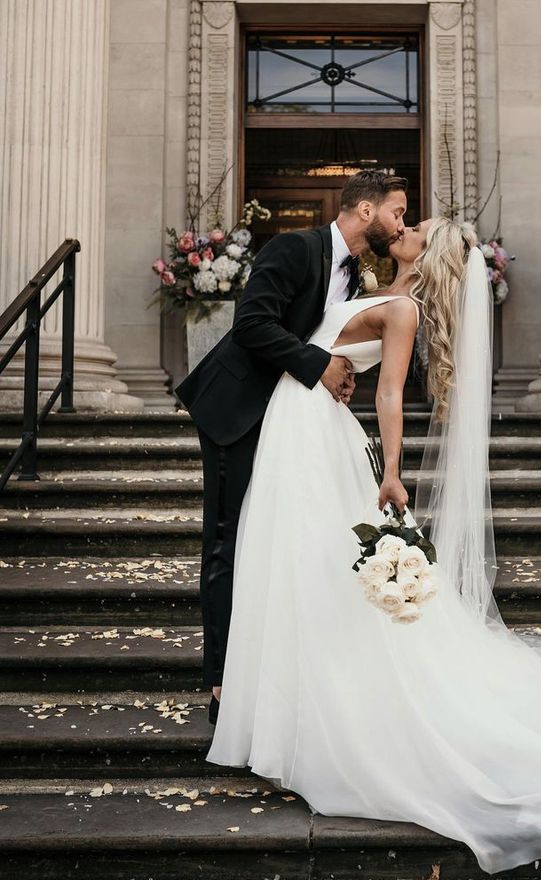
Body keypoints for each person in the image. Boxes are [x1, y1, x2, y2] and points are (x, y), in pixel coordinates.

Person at [205, 217, 541, 876]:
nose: (402, 225)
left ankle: (307, 713)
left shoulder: (401, 307)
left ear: (428, 255)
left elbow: (392, 392)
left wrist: (392, 469)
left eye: (415, 227)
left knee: (313, 568)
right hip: (302, 418)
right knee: (297, 568)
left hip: (318, 433)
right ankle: (280, 710)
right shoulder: (365, 280)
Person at [174, 170, 408, 724]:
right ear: (366, 211)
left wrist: (337, 374)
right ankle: (222, 684)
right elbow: (252, 324)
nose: (400, 224)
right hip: (239, 410)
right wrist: (319, 365)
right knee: (229, 541)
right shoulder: (295, 247)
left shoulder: (356, 275)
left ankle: (270, 675)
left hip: (292, 421)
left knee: (271, 542)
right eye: (397, 212)